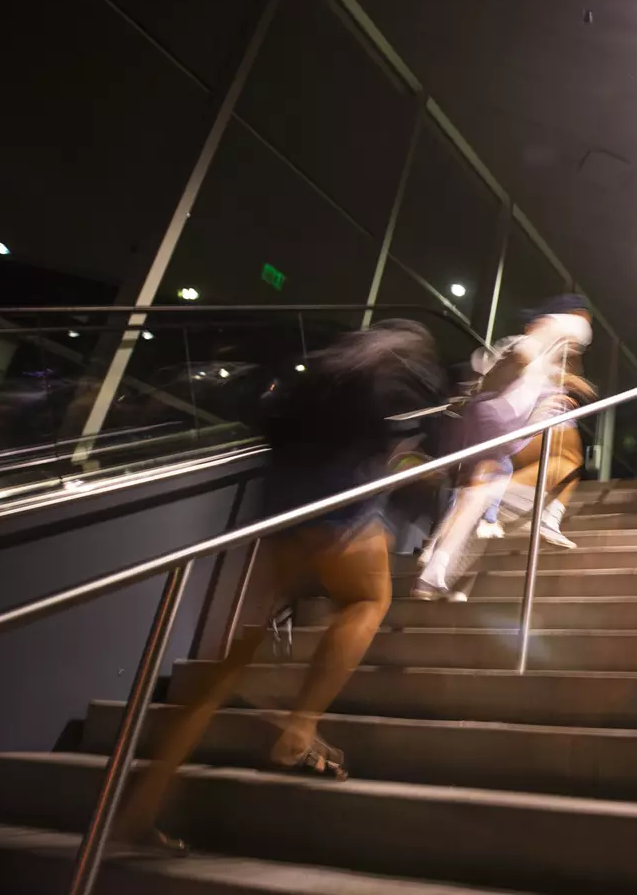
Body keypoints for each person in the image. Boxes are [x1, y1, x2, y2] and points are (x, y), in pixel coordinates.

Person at [115, 320, 445, 852]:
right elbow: (396, 442)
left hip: (283, 504)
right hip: (342, 501)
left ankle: (139, 804)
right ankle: (301, 724)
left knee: (234, 655)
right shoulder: (401, 374)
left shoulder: (327, 365)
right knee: (368, 597)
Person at [414, 296, 594, 600]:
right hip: (493, 420)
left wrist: (555, 387)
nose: (569, 350)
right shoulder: (528, 343)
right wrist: (544, 368)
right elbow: (519, 358)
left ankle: (436, 564)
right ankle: (436, 566)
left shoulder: (541, 357)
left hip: (504, 424)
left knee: (479, 492)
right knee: (483, 490)